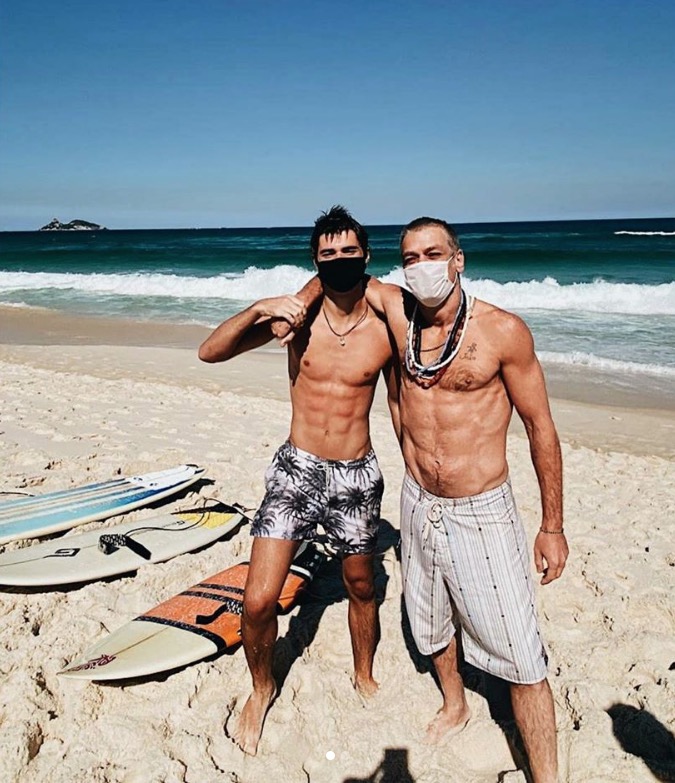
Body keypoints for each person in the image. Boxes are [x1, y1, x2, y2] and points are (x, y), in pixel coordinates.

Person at [362, 217, 568, 783]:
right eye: (409, 257)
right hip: (416, 500)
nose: (421, 265)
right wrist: (291, 305)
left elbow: (541, 428)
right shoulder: (397, 314)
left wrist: (552, 525)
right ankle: (455, 703)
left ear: (459, 260)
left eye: (433, 253)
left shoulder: (503, 332)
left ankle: (546, 775)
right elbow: (338, 269)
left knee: (522, 654)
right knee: (429, 620)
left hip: (482, 510)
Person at [198, 205, 396, 756]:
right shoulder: (295, 322)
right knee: (258, 602)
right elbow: (209, 352)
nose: (338, 261)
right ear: (315, 259)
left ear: (365, 256)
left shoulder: (384, 325)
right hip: (296, 470)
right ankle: (262, 689)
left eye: (348, 252)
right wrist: (263, 305)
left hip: (356, 476)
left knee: (361, 586)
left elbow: (407, 402)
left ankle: (364, 671)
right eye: (327, 254)